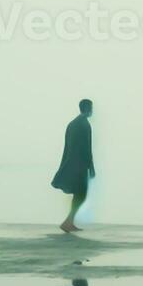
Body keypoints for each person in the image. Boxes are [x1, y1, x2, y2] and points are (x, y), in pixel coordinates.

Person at [51, 99, 97, 233]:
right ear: (88, 108)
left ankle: (69, 222)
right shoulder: (84, 124)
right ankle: (68, 222)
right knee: (81, 194)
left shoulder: (72, 124)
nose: (92, 111)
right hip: (80, 165)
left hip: (72, 163)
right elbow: (87, 148)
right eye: (91, 108)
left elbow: (67, 147)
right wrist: (91, 167)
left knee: (78, 194)